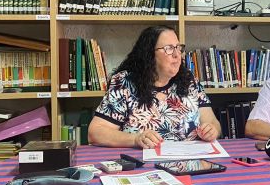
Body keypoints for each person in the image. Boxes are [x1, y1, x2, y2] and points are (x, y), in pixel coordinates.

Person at [88, 26, 221, 148]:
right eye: (169, 48)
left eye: (178, 47)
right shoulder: (125, 83)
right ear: (150, 54)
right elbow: (96, 132)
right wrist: (134, 139)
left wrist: (212, 130)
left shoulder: (189, 80)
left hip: (191, 162)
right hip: (145, 166)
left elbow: (212, 121)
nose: (177, 55)